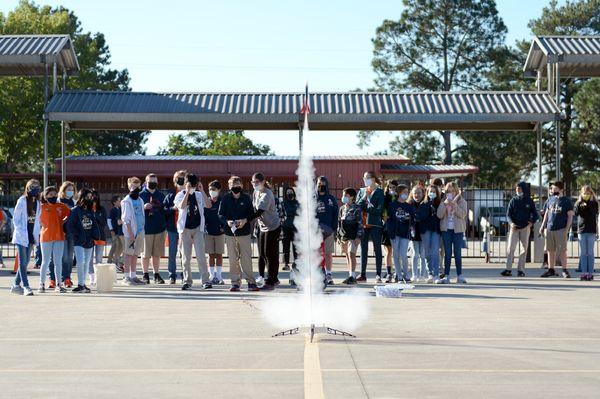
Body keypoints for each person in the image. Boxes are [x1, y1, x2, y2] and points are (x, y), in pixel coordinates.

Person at [218, 176, 259, 292]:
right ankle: (235, 283)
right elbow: (220, 214)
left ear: (241, 185)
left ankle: (251, 282)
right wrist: (227, 222)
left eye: (237, 184)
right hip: (230, 233)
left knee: (246, 259)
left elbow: (252, 214)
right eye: (233, 185)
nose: (235, 187)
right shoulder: (225, 198)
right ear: (229, 186)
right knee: (233, 259)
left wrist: (245, 220)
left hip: (244, 233)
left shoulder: (246, 198)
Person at [175, 173, 212, 290]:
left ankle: (205, 280)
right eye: (191, 185)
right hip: (185, 229)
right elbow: (181, 206)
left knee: (201, 256)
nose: (193, 187)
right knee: (186, 257)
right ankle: (187, 280)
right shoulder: (180, 195)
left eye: (194, 185)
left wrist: (202, 190)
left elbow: (209, 205)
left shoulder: (199, 195)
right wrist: (187, 192)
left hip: (198, 228)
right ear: (186, 184)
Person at [10, 179, 41, 296]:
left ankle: (15, 285)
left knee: (26, 261)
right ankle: (26, 287)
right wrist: (21, 230)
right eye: (32, 186)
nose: (34, 188)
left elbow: (37, 220)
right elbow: (16, 219)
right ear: (27, 188)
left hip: (31, 235)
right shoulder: (22, 200)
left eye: (36, 186)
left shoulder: (38, 203)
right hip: (22, 236)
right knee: (23, 262)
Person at [501, 182, 539, 277]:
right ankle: (508, 269)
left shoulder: (529, 201)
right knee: (510, 248)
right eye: (516, 188)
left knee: (524, 249)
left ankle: (520, 270)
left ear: (524, 189)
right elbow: (508, 215)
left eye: (519, 188)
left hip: (525, 227)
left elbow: (535, 214)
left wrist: (531, 222)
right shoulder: (513, 200)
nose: (517, 190)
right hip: (514, 228)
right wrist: (511, 223)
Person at [252, 173, 282, 290]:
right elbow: (253, 208)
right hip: (262, 226)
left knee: (270, 254)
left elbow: (259, 212)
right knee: (263, 254)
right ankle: (273, 278)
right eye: (253, 182)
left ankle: (271, 280)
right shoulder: (256, 192)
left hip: (273, 227)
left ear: (263, 182)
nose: (254, 185)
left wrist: (246, 219)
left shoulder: (267, 193)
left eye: (256, 182)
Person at [66, 188, 100, 293]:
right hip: (79, 241)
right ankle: (80, 284)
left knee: (86, 263)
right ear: (82, 197)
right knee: (80, 263)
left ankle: (83, 284)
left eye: (91, 197)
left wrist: (95, 236)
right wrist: (77, 236)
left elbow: (94, 225)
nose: (90, 199)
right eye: (87, 197)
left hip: (89, 241)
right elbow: (70, 226)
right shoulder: (75, 210)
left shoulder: (90, 211)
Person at [38, 186, 70, 293]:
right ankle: (41, 285)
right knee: (45, 261)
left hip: (59, 236)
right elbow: (37, 219)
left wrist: (63, 222)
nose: (53, 196)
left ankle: (58, 285)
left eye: (55, 194)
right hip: (46, 237)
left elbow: (70, 214)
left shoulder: (61, 206)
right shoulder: (41, 206)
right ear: (45, 196)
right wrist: (41, 225)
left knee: (58, 262)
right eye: (50, 194)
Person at [539, 181, 574, 278]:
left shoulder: (566, 201)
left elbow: (570, 215)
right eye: (552, 189)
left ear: (561, 189)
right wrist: (542, 226)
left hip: (561, 229)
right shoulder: (550, 200)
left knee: (562, 250)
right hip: (550, 229)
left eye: (555, 189)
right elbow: (546, 213)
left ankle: (565, 270)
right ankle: (551, 269)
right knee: (550, 250)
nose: (553, 190)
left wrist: (567, 228)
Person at [437, 182, 468, 284]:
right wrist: (444, 204)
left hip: (457, 230)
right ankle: (447, 275)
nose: (450, 193)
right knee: (447, 253)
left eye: (452, 191)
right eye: (448, 191)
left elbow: (462, 215)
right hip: (446, 230)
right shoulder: (444, 201)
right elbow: (439, 215)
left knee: (457, 253)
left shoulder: (462, 201)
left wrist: (455, 205)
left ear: (456, 191)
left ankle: (460, 275)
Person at [356, 171, 384, 283]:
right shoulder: (362, 191)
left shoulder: (379, 192)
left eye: (367, 177)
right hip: (363, 224)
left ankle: (378, 274)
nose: (365, 179)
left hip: (375, 224)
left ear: (373, 179)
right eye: (364, 177)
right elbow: (358, 206)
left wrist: (366, 208)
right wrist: (364, 197)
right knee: (363, 249)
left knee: (377, 249)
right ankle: (362, 274)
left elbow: (379, 210)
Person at [139, 173, 166, 284]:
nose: (153, 183)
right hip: (146, 229)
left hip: (159, 228)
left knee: (157, 254)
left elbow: (165, 210)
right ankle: (145, 274)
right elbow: (135, 211)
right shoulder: (140, 195)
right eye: (150, 181)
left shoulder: (161, 195)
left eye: (154, 181)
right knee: (145, 254)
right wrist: (143, 207)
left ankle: (156, 274)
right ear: (146, 182)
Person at [121, 177, 146, 285]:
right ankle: (126, 277)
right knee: (128, 254)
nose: (136, 188)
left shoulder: (140, 200)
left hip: (140, 230)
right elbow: (125, 219)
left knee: (136, 254)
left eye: (138, 186)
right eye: (133, 186)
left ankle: (133, 275)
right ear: (129, 187)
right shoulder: (126, 201)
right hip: (130, 232)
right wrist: (130, 233)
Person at [387, 184, 415, 282]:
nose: (406, 194)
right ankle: (398, 275)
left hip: (405, 233)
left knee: (403, 254)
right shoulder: (392, 205)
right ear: (399, 193)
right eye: (404, 192)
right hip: (395, 233)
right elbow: (388, 219)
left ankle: (406, 275)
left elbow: (413, 220)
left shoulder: (409, 206)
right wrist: (390, 231)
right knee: (396, 255)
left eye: (407, 192)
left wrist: (410, 222)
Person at [163, 170, 186, 284]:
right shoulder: (170, 195)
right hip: (172, 228)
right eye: (178, 178)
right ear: (174, 180)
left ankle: (185, 275)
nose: (180, 180)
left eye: (182, 177)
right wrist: (172, 209)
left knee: (184, 253)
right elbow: (164, 210)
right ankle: (172, 275)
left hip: (186, 229)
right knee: (172, 253)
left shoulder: (190, 193)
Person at [315, 175, 338, 286]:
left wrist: (334, 228)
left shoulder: (331, 199)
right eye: (319, 184)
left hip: (328, 230)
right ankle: (318, 274)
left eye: (323, 184)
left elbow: (336, 214)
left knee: (328, 254)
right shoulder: (312, 198)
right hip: (315, 231)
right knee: (317, 254)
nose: (321, 186)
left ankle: (328, 275)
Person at [337, 188, 363, 285]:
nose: (344, 197)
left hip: (353, 235)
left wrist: (358, 236)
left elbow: (360, 223)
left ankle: (353, 276)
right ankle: (350, 275)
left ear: (352, 197)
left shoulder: (357, 208)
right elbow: (339, 223)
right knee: (347, 255)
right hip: (344, 235)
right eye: (343, 195)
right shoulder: (342, 209)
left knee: (351, 254)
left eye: (346, 196)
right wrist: (338, 237)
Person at [574, 185, 598, 281]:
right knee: (583, 253)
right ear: (581, 194)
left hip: (591, 230)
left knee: (590, 252)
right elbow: (576, 213)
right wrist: (580, 202)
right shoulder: (578, 202)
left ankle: (590, 273)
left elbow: (593, 213)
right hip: (581, 230)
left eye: (588, 193)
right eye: (584, 193)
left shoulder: (594, 203)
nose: (586, 195)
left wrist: (590, 202)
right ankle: (584, 273)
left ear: (591, 194)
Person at [205, 180, 226, 285]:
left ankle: (219, 275)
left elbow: (226, 215)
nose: (211, 191)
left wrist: (224, 227)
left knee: (219, 254)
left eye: (213, 189)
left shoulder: (223, 201)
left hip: (220, 232)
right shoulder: (207, 201)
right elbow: (203, 216)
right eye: (210, 189)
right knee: (211, 255)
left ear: (218, 190)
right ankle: (211, 275)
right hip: (208, 232)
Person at [422, 185, 442, 283]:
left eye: (434, 191)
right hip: (425, 230)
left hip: (436, 230)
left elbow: (441, 216)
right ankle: (429, 273)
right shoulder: (424, 203)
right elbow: (422, 216)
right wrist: (429, 203)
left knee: (435, 252)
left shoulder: (439, 203)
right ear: (427, 192)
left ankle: (436, 274)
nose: (432, 193)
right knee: (427, 253)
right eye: (430, 191)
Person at [58, 181, 76, 288]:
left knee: (70, 257)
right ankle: (62, 277)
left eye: (72, 190)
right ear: (63, 190)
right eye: (68, 189)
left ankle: (68, 277)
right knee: (64, 256)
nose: (70, 192)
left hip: (72, 233)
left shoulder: (74, 202)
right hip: (61, 232)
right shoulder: (58, 201)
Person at [89, 189, 108, 286]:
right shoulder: (87, 208)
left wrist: (96, 217)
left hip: (100, 237)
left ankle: (98, 277)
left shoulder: (102, 209)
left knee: (99, 259)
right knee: (89, 258)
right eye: (92, 195)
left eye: (96, 195)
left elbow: (103, 222)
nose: (94, 197)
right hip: (89, 237)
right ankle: (91, 277)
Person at [409, 185, 428, 282]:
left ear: (423, 193)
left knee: (423, 255)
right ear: (412, 194)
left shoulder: (425, 204)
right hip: (414, 233)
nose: (417, 195)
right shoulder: (409, 204)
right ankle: (414, 274)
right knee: (415, 254)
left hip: (424, 232)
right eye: (415, 193)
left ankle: (423, 275)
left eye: (419, 193)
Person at [382, 180, 398, 282]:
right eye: (390, 187)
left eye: (394, 188)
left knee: (397, 251)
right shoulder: (384, 198)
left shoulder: (399, 198)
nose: (391, 189)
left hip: (397, 227)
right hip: (387, 226)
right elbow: (382, 211)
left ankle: (398, 272)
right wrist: (384, 216)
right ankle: (389, 273)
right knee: (388, 251)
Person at [281, 187, 299, 271]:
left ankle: (296, 263)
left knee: (296, 247)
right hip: (286, 227)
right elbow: (281, 215)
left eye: (291, 192)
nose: (289, 193)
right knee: (286, 246)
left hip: (296, 227)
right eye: (288, 192)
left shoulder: (297, 203)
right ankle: (286, 263)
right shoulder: (283, 203)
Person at [108, 195, 124, 272]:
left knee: (118, 247)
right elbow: (109, 220)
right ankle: (111, 262)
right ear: (114, 202)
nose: (120, 202)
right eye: (118, 200)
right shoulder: (113, 210)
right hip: (115, 231)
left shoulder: (120, 209)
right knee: (115, 247)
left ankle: (113, 262)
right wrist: (111, 230)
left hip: (120, 231)